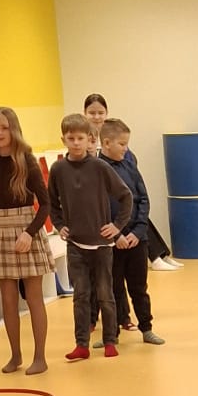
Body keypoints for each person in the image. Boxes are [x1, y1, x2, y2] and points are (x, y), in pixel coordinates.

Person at [0, 106, 55, 376]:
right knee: (8, 300)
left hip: (26, 229)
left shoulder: (27, 160)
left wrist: (29, 233)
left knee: (34, 298)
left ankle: (40, 357)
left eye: (4, 127)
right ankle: (15, 355)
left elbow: (45, 204)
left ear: (14, 129)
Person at [47, 114, 131, 362]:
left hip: (102, 245)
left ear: (90, 139)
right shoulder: (58, 169)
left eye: (80, 138)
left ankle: (110, 341)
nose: (75, 143)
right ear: (63, 139)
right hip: (75, 244)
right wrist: (59, 225)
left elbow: (125, 196)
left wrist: (117, 226)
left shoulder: (100, 167)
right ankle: (81, 344)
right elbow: (52, 202)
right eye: (71, 138)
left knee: (105, 294)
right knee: (80, 295)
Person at [83, 93, 180, 275]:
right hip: (108, 210)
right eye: (92, 113)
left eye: (100, 113)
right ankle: (155, 256)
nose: (96, 117)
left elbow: (130, 162)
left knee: (138, 212)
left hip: (125, 192)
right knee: (127, 212)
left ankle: (160, 254)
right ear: (85, 113)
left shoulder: (116, 134)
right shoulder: (85, 138)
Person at [98, 118, 165, 346]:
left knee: (139, 288)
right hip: (112, 242)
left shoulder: (130, 166)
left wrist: (137, 231)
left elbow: (143, 199)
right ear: (107, 143)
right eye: (122, 144)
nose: (126, 149)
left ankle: (147, 328)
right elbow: (99, 207)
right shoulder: (97, 170)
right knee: (113, 288)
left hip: (137, 239)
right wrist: (116, 235)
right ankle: (112, 333)